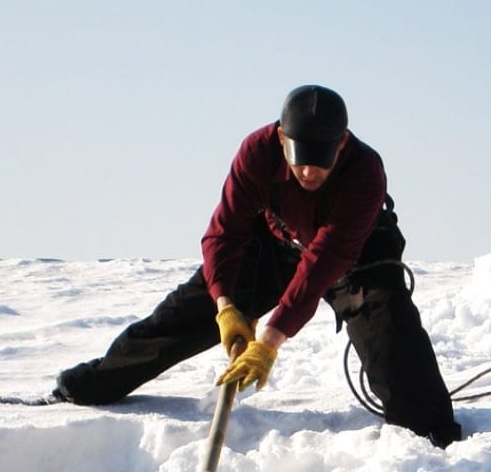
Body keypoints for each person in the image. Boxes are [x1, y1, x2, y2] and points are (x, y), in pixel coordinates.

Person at [50, 85, 461, 449]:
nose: (308, 171)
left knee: (390, 332)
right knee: (185, 314)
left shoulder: (365, 172)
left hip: (355, 253)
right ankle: (94, 383)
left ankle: (431, 435)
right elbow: (223, 235)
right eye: (300, 158)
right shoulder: (257, 151)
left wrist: (269, 342)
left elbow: (323, 262)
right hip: (275, 242)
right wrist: (225, 306)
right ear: (282, 139)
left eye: (321, 160)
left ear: (342, 143)